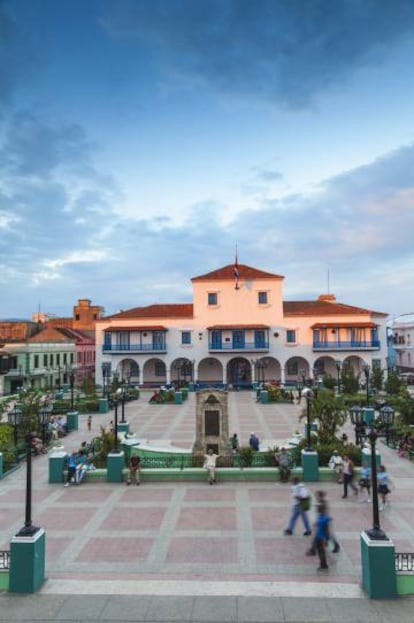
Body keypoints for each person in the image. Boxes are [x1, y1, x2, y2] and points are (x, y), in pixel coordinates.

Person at [306, 491, 340, 557]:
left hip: (324, 522)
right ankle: (313, 549)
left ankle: (336, 546)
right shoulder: (320, 502)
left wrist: (319, 521)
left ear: (321, 496)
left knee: (327, 535)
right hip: (322, 521)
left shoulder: (323, 503)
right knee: (322, 536)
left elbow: (323, 511)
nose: (316, 497)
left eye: (317, 496)